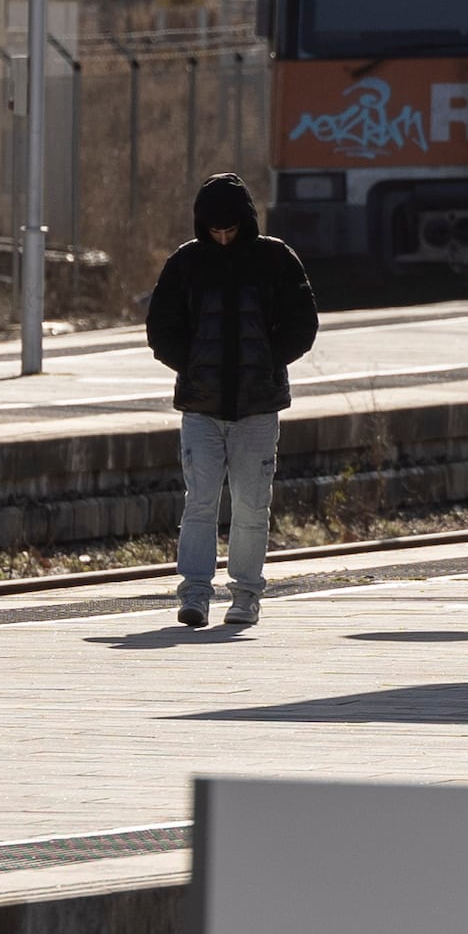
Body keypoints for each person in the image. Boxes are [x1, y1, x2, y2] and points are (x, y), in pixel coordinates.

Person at [145, 173, 319, 630]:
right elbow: (160, 327)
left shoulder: (276, 259)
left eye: (231, 230)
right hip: (201, 407)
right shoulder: (185, 263)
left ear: (246, 222)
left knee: (251, 505)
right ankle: (195, 595)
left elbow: (304, 322)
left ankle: (245, 595)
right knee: (200, 502)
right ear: (203, 227)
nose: (223, 239)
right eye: (215, 231)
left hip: (258, 407)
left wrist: (266, 361)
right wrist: (192, 364)